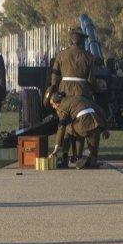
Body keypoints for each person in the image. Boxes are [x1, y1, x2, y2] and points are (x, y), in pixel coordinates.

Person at [46, 27, 98, 167]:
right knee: (81, 123)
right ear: (81, 41)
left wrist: (55, 92)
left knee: (65, 124)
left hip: (64, 92)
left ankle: (64, 156)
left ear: (71, 40)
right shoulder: (88, 56)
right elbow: (92, 79)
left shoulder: (61, 55)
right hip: (83, 92)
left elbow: (55, 77)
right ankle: (79, 156)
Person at [47, 91, 109, 169]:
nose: (53, 107)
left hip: (82, 125)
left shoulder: (62, 106)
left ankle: (65, 158)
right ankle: (91, 160)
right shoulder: (80, 98)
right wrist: (105, 129)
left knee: (67, 128)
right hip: (96, 124)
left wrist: (55, 149)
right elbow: (100, 110)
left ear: (57, 102)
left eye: (52, 104)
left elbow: (61, 127)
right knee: (93, 144)